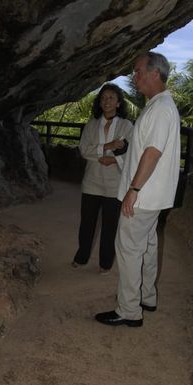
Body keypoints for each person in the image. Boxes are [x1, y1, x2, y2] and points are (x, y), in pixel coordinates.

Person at [95, 52, 181, 326]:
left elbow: (152, 153)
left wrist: (133, 189)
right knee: (146, 246)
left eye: (138, 71)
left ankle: (129, 311)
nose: (134, 76)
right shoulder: (161, 106)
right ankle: (147, 297)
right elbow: (147, 150)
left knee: (129, 249)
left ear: (155, 73)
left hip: (143, 196)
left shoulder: (160, 109)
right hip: (153, 196)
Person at [72, 83, 133, 274]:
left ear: (118, 103)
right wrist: (108, 145)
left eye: (111, 98)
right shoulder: (91, 124)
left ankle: (105, 263)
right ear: (99, 102)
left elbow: (132, 152)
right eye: (103, 98)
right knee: (87, 222)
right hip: (92, 180)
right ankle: (81, 257)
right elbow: (84, 150)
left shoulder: (126, 125)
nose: (106, 101)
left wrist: (113, 160)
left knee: (110, 225)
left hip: (115, 183)